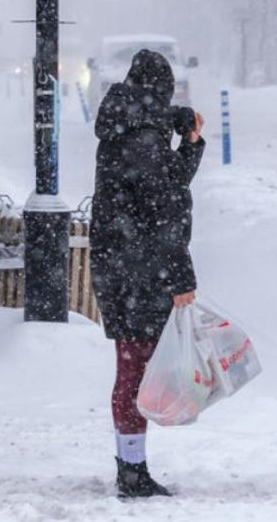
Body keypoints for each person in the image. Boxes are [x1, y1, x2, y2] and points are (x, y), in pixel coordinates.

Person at [88, 49, 205, 499]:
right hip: (139, 271)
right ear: (159, 92)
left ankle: (131, 466)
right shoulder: (142, 140)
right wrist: (181, 279)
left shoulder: (130, 127)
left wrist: (188, 141)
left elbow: (168, 183)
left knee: (132, 365)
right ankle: (131, 472)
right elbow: (163, 211)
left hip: (121, 266)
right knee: (134, 370)